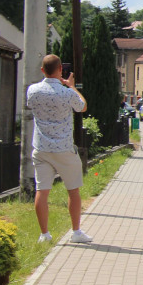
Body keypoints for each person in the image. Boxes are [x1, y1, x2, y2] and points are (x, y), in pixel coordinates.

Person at [26, 54, 91, 244]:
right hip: (63, 148)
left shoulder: (33, 90)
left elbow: (31, 105)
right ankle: (76, 232)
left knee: (42, 191)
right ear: (61, 69)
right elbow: (82, 107)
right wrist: (70, 86)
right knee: (73, 190)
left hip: (41, 147)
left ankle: (44, 234)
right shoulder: (66, 92)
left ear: (42, 70)